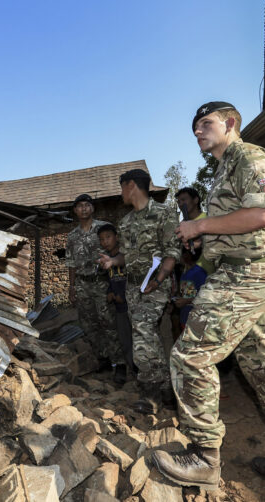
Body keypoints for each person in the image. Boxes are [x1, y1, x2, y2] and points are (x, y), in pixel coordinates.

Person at [151, 102, 265, 499]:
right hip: (242, 270)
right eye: (194, 127)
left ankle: (204, 458)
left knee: (190, 355)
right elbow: (236, 222)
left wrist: (200, 224)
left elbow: (263, 216)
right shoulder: (223, 171)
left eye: (205, 123)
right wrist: (205, 238)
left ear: (230, 123)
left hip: (247, 273)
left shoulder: (249, 156)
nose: (198, 131)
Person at [98, 169, 180, 414]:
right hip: (133, 287)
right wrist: (112, 262)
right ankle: (167, 389)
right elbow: (128, 256)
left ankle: (151, 392)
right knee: (145, 336)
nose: (120, 192)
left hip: (156, 284)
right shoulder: (126, 222)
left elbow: (172, 252)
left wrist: (160, 278)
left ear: (131, 185)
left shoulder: (164, 213)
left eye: (122, 186)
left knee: (143, 333)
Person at [66, 194, 124, 371]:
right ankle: (103, 359)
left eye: (87, 205)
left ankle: (120, 363)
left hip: (102, 283)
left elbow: (117, 252)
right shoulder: (72, 236)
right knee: (89, 325)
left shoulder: (104, 229)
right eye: (80, 206)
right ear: (75, 211)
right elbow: (71, 264)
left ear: (92, 208)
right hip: (83, 285)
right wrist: (71, 287)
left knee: (109, 322)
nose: (83, 209)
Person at [97, 223, 134, 385]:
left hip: (131, 305)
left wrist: (123, 295)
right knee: (124, 339)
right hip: (119, 307)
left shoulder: (124, 255)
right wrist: (110, 293)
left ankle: (139, 370)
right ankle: (131, 369)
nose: (105, 241)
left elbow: (132, 279)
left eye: (108, 237)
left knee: (136, 339)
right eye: (102, 239)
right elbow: (111, 280)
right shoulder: (105, 259)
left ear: (116, 237)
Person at [173, 247, 207, 332]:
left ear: (186, 255)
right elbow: (187, 293)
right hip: (185, 318)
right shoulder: (185, 272)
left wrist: (186, 301)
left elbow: (205, 295)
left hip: (196, 319)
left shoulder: (198, 272)